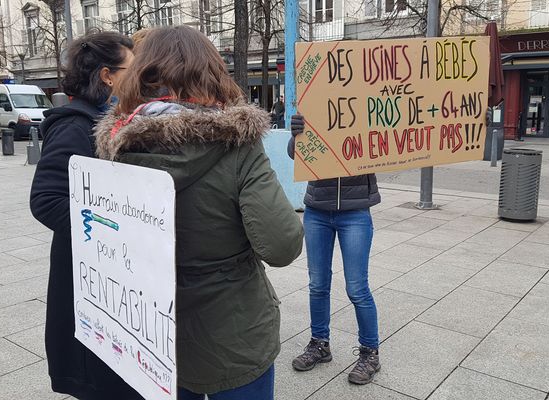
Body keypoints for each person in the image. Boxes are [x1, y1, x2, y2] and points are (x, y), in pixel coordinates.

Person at [94, 26, 304, 399]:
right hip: (235, 333)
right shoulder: (238, 145)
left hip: (154, 336)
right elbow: (282, 245)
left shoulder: (117, 147)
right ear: (210, 72)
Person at [29, 32, 142, 400]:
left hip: (104, 271)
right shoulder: (75, 125)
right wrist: (109, 227)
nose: (138, 75)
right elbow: (45, 199)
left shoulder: (106, 118)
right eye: (132, 68)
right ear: (108, 75)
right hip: (85, 272)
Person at [287, 114, 382, 385]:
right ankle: (320, 344)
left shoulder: (367, 109)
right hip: (317, 210)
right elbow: (296, 155)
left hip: (355, 213)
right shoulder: (316, 106)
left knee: (357, 287)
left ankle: (370, 353)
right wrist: (297, 134)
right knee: (317, 284)